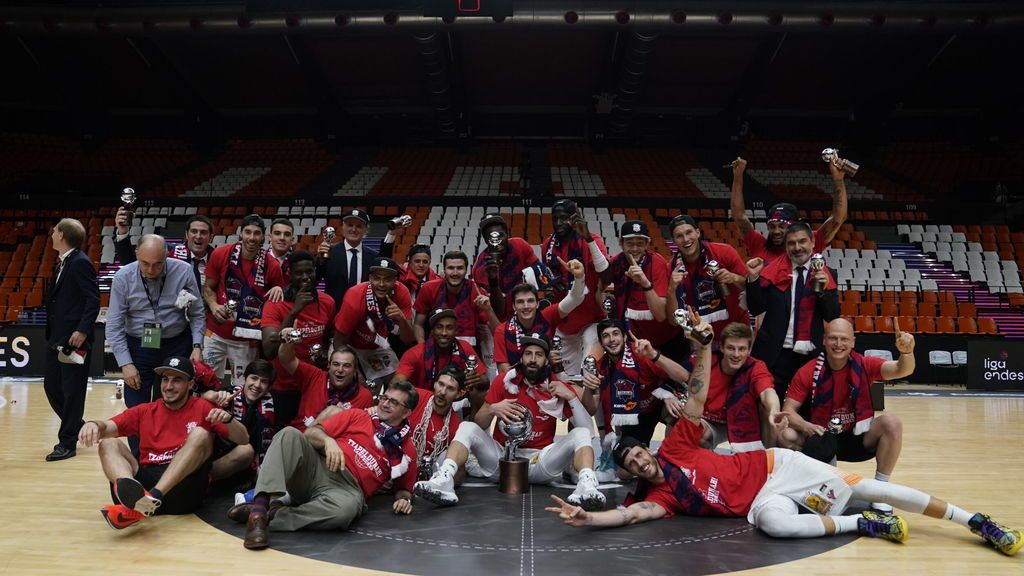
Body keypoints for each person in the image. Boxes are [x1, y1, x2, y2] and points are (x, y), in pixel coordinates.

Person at [544, 316, 1023, 558]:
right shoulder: (662, 495)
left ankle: (975, 520)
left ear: (648, 448)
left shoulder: (674, 446)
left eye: (636, 453)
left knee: (867, 490)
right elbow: (630, 515)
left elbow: (695, 398)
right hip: (762, 503)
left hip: (775, 467)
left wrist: (703, 349)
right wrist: (590, 519)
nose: (638, 461)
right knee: (776, 525)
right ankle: (865, 525)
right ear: (632, 472)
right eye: (630, 462)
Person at [414, 333, 605, 511]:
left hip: (540, 461)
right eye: (528, 354)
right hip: (503, 460)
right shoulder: (503, 381)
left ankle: (586, 487)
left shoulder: (555, 386)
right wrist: (492, 408)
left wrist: (571, 397)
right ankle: (444, 481)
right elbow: (478, 424)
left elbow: (587, 431)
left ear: (546, 360)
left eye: (538, 355)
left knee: (580, 434)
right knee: (467, 426)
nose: (532, 359)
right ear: (521, 357)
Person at [234, 380, 420, 550]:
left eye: (394, 402)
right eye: (384, 398)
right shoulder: (358, 416)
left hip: (346, 490)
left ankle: (274, 515)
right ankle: (257, 515)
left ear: (407, 412)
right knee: (288, 434)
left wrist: (404, 499)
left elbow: (405, 488)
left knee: (344, 513)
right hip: (317, 467)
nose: (385, 403)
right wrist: (328, 441)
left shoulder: (408, 449)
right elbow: (311, 433)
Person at [77, 356, 249, 529]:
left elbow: (244, 440)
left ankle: (150, 499)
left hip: (183, 489)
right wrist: (94, 424)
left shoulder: (203, 407)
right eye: (165, 379)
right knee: (108, 444)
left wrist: (228, 419)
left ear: (190, 384)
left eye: (177, 380)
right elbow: (107, 427)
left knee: (200, 434)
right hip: (147, 480)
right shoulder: (145, 410)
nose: (168, 386)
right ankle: (135, 499)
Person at [780, 318, 913, 512]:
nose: (838, 344)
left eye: (844, 339)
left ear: (853, 342)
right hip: (821, 438)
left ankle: (880, 490)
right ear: (824, 340)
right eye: (833, 338)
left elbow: (902, 369)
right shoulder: (808, 371)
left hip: (857, 437)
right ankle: (805, 485)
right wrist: (806, 426)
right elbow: (788, 411)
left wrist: (906, 352)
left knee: (892, 423)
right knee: (786, 435)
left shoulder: (865, 365)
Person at [105, 235, 206, 409]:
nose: (151, 270)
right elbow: (114, 325)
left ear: (166, 256)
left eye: (158, 264)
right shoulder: (123, 277)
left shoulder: (183, 271)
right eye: (145, 263)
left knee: (172, 405)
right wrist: (125, 364)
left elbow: (197, 313)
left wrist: (197, 346)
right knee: (137, 408)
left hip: (176, 345)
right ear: (136, 254)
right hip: (139, 347)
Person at [746, 222, 839, 397]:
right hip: (775, 353)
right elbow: (755, 308)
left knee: (805, 410)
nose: (797, 247)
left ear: (812, 242)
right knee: (769, 407)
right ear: (785, 246)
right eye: (791, 243)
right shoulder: (771, 270)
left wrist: (823, 291)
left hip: (810, 354)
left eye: (802, 241)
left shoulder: (828, 273)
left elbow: (832, 315)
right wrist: (753, 278)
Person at [203, 214, 285, 387]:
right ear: (240, 234)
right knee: (205, 381)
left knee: (242, 387)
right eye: (247, 232)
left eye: (257, 233)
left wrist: (279, 289)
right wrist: (213, 305)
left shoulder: (271, 265)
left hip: (247, 339)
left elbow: (277, 301)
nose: (252, 237)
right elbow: (208, 287)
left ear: (263, 236)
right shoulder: (221, 253)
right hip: (216, 333)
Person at [581, 318, 689, 446]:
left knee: (682, 413)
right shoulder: (601, 368)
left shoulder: (641, 354)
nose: (611, 339)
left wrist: (655, 356)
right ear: (601, 342)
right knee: (628, 455)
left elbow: (684, 376)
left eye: (616, 333)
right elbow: (590, 409)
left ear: (625, 337)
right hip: (635, 416)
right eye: (606, 336)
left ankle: (671, 455)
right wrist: (588, 388)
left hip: (659, 404)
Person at [44, 218, 100, 462]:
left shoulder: (79, 263)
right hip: (58, 338)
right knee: (52, 386)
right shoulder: (64, 263)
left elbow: (93, 299)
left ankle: (67, 443)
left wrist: (83, 330)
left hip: (75, 340)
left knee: (72, 391)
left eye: (55, 230)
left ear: (63, 235)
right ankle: (77, 426)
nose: (52, 232)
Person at [539, 199, 613, 378]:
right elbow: (547, 281)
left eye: (563, 218)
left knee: (589, 370)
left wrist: (587, 239)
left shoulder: (590, 239)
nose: (558, 223)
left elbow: (607, 276)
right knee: (566, 376)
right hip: (565, 320)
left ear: (574, 218)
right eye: (554, 218)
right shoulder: (547, 246)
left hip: (592, 316)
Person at [261, 250, 335, 426]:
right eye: (299, 273)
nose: (306, 277)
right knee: (282, 436)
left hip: (312, 385)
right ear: (289, 274)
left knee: (311, 433)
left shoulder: (327, 302)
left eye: (309, 271)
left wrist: (324, 353)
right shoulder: (275, 304)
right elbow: (269, 350)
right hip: (283, 385)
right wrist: (295, 311)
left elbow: (328, 336)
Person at [729, 157, 847, 262]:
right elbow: (739, 217)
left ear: (795, 226)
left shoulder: (810, 242)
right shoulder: (758, 244)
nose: (776, 231)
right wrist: (738, 176)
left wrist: (838, 180)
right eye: (772, 226)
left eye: (782, 226)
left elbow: (837, 218)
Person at [493, 258, 588, 374]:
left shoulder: (547, 316)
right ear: (513, 306)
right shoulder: (502, 331)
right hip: (516, 386)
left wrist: (579, 277)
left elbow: (575, 299)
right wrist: (544, 359)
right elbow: (505, 373)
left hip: (547, 383)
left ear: (537, 303)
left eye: (530, 301)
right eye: (520, 302)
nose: (526, 306)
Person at [701, 322, 785, 453]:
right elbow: (683, 376)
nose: (736, 354)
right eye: (730, 348)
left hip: (743, 420)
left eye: (742, 349)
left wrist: (774, 410)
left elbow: (767, 391)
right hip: (710, 418)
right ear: (721, 347)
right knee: (683, 424)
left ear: (749, 350)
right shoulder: (707, 360)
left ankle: (764, 455)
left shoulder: (756, 366)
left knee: (767, 411)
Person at [665, 214, 749, 343]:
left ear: (698, 232)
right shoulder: (672, 268)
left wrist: (734, 278)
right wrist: (671, 289)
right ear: (673, 240)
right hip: (700, 337)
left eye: (689, 232)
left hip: (736, 330)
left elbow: (751, 287)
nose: (686, 239)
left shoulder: (724, 252)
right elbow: (674, 320)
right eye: (679, 236)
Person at [332, 256, 415, 386]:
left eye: (387, 279)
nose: (381, 284)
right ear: (370, 279)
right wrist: (354, 372)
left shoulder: (402, 292)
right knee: (350, 382)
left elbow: (408, 339)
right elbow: (339, 340)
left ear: (395, 280)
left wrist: (401, 319)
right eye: (377, 278)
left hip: (376, 345)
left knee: (400, 385)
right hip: (348, 344)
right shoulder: (355, 296)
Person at [278, 330, 374, 430]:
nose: (340, 370)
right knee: (287, 432)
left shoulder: (364, 396)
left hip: (331, 443)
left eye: (346, 366)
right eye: (336, 364)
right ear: (329, 365)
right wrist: (287, 340)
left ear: (355, 370)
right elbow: (287, 359)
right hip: (298, 434)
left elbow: (362, 431)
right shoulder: (315, 376)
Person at [202, 360, 278, 483]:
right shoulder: (227, 395)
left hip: (245, 466)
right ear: (245, 379)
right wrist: (208, 395)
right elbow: (195, 403)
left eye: (264, 381)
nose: (257, 385)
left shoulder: (272, 406)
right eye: (254, 378)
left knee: (247, 451)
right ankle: (198, 480)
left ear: (269, 387)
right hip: (214, 459)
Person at [606, 220, 674, 350]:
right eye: (630, 244)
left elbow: (660, 315)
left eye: (640, 244)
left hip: (663, 339)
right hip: (632, 338)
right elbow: (600, 289)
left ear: (647, 244)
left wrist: (645, 283)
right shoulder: (615, 262)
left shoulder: (656, 262)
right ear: (621, 243)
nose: (635, 249)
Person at [412, 250, 496, 347]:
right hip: (436, 347)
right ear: (444, 269)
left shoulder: (477, 292)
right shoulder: (429, 288)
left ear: (466, 270)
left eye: (460, 268)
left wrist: (489, 310)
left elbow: (496, 331)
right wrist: (422, 349)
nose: (455, 273)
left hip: (467, 348)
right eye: (451, 268)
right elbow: (418, 325)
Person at [115, 210, 216, 289]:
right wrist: (122, 231)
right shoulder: (169, 251)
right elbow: (129, 260)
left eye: (203, 232)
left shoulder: (220, 259)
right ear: (186, 234)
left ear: (211, 237)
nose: (198, 236)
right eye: (194, 231)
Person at [396, 307, 486, 392]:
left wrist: (478, 379)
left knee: (480, 393)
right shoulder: (415, 353)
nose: (444, 333)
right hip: (423, 400)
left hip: (455, 398)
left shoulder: (464, 348)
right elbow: (397, 382)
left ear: (456, 331)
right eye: (439, 327)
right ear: (432, 331)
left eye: (449, 328)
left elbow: (485, 380)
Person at [471, 213, 539, 320]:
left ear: (507, 234)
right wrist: (493, 281)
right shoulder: (480, 268)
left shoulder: (520, 246)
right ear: (485, 240)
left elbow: (539, 273)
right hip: (501, 319)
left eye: (500, 235)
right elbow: (498, 309)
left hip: (527, 311)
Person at [408, 365, 465, 480]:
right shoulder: (415, 396)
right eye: (441, 384)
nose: (442, 392)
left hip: (426, 476)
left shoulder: (455, 426)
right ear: (434, 384)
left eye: (450, 388)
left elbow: (459, 474)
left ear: (459, 394)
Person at [318, 208, 377, 314]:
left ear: (366, 230)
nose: (354, 229)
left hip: (363, 315)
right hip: (334, 314)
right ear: (342, 227)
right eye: (350, 225)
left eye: (359, 226)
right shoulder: (328, 253)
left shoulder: (373, 257)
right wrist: (319, 260)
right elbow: (314, 280)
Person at [267, 217, 296, 283]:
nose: (282, 238)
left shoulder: (297, 262)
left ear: (292, 240)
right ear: (270, 237)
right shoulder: (259, 260)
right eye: (277, 233)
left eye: (287, 234)